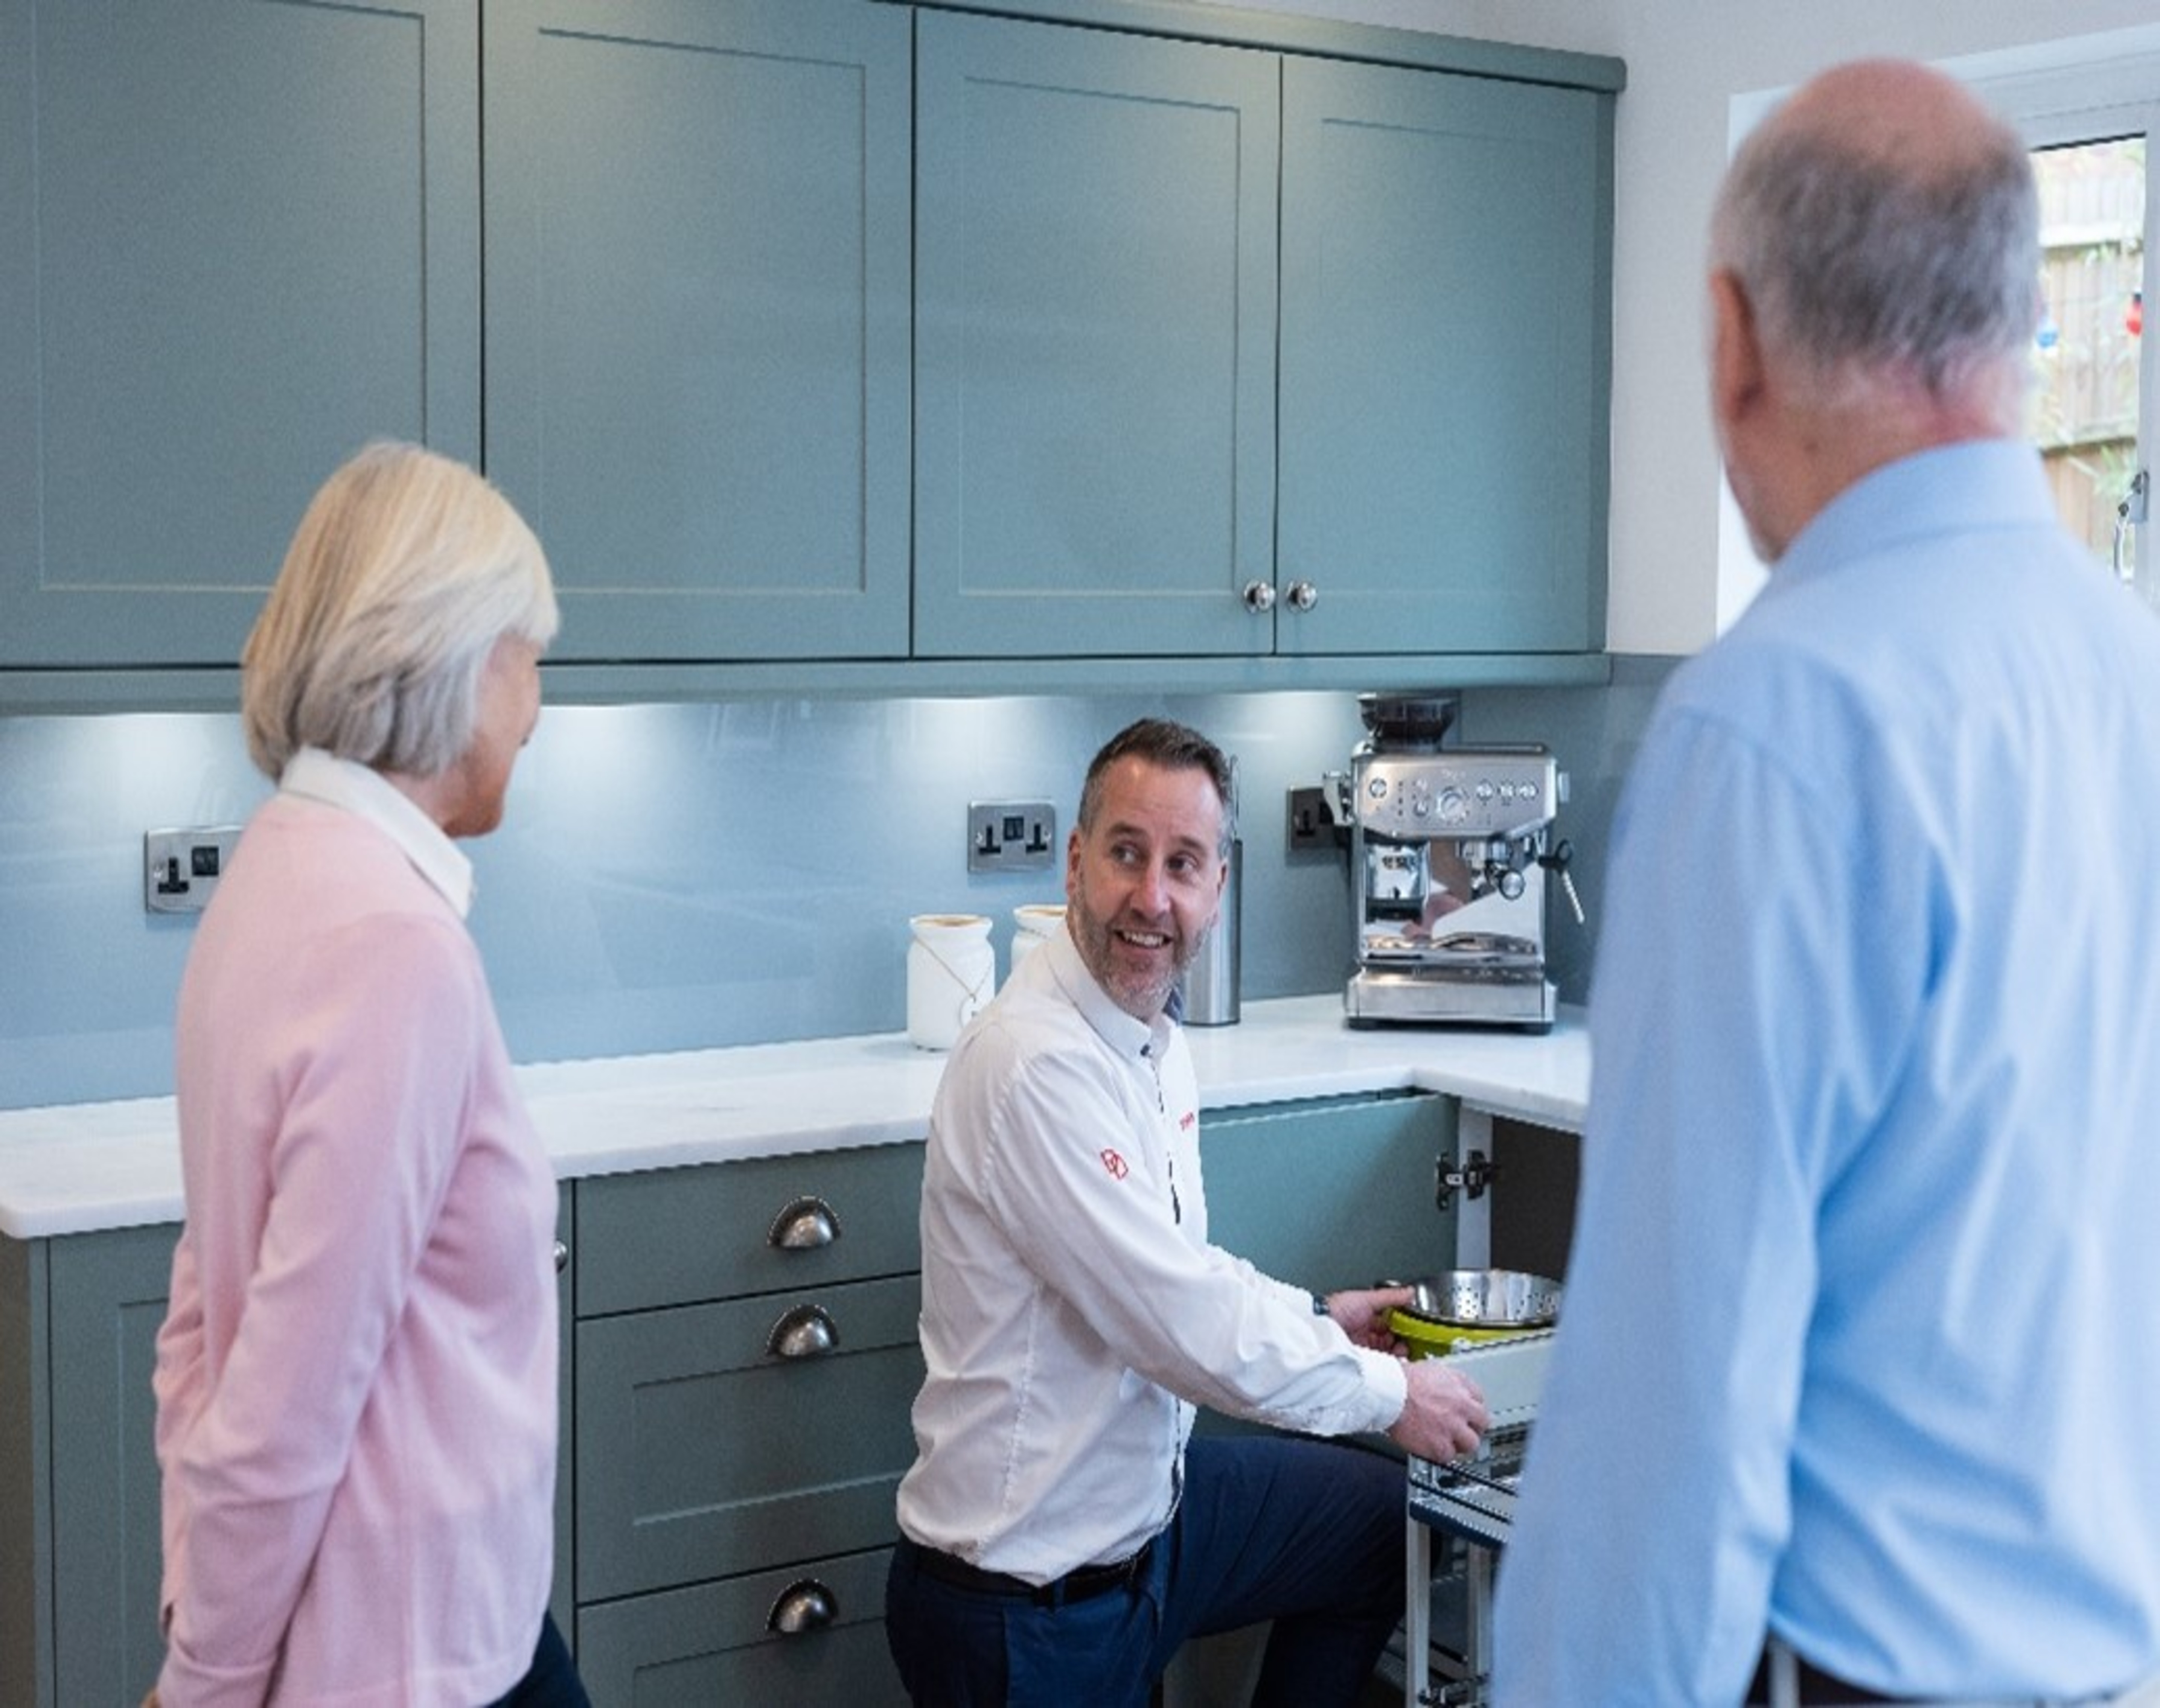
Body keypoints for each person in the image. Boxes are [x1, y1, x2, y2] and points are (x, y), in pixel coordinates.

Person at [1491, 60, 2160, 1707]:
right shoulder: (2130, 678)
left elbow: (1673, 1403)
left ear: (1729, 339)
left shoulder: (1773, 726)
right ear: (2017, 334)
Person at [885, 716, 1490, 1708]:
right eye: (1126, 854)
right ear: (1076, 863)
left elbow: (1179, 1269)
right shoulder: (1032, 1063)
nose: (1151, 897)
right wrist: (1388, 1395)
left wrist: (1314, 1316)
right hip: (1022, 1605)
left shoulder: (1151, 1037)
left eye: (1183, 863)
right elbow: (1172, 1319)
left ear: (1218, 886)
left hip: (1146, 1535)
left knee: (1381, 1523)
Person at [149, 442, 590, 1706]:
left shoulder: (274, 878)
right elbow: (288, 1390)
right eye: (529, 657)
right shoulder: (396, 950)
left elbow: (203, 1317)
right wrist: (206, 1679)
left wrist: (202, 1593)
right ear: (449, 652)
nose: (536, 707)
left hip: (417, 1623)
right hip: (413, 1657)